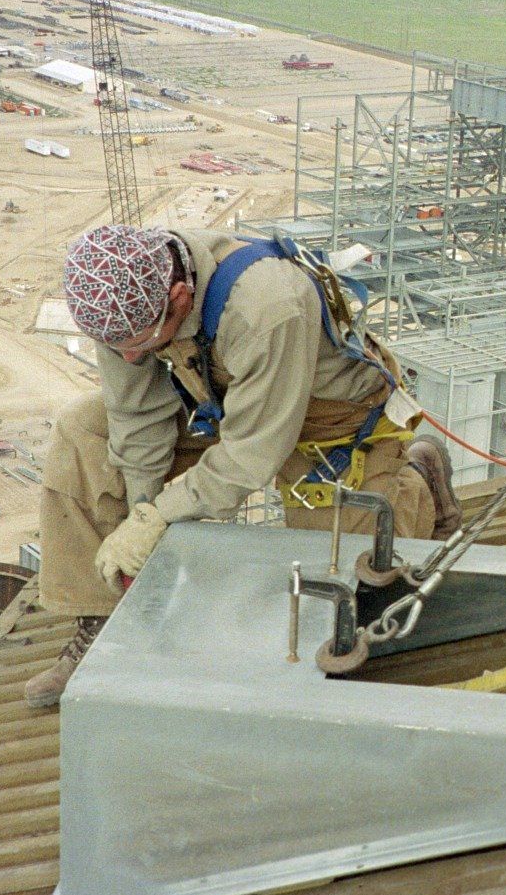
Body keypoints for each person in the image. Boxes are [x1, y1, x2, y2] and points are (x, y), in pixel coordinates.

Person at [25, 225, 462, 708]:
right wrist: (140, 512)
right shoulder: (123, 305)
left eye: (140, 343)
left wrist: (163, 514)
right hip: (227, 398)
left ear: (180, 296)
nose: (130, 356)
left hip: (330, 418)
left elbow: (251, 454)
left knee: (350, 571)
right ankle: (105, 617)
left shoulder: (268, 307)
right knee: (85, 431)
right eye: (119, 347)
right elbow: (137, 415)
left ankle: (420, 481)